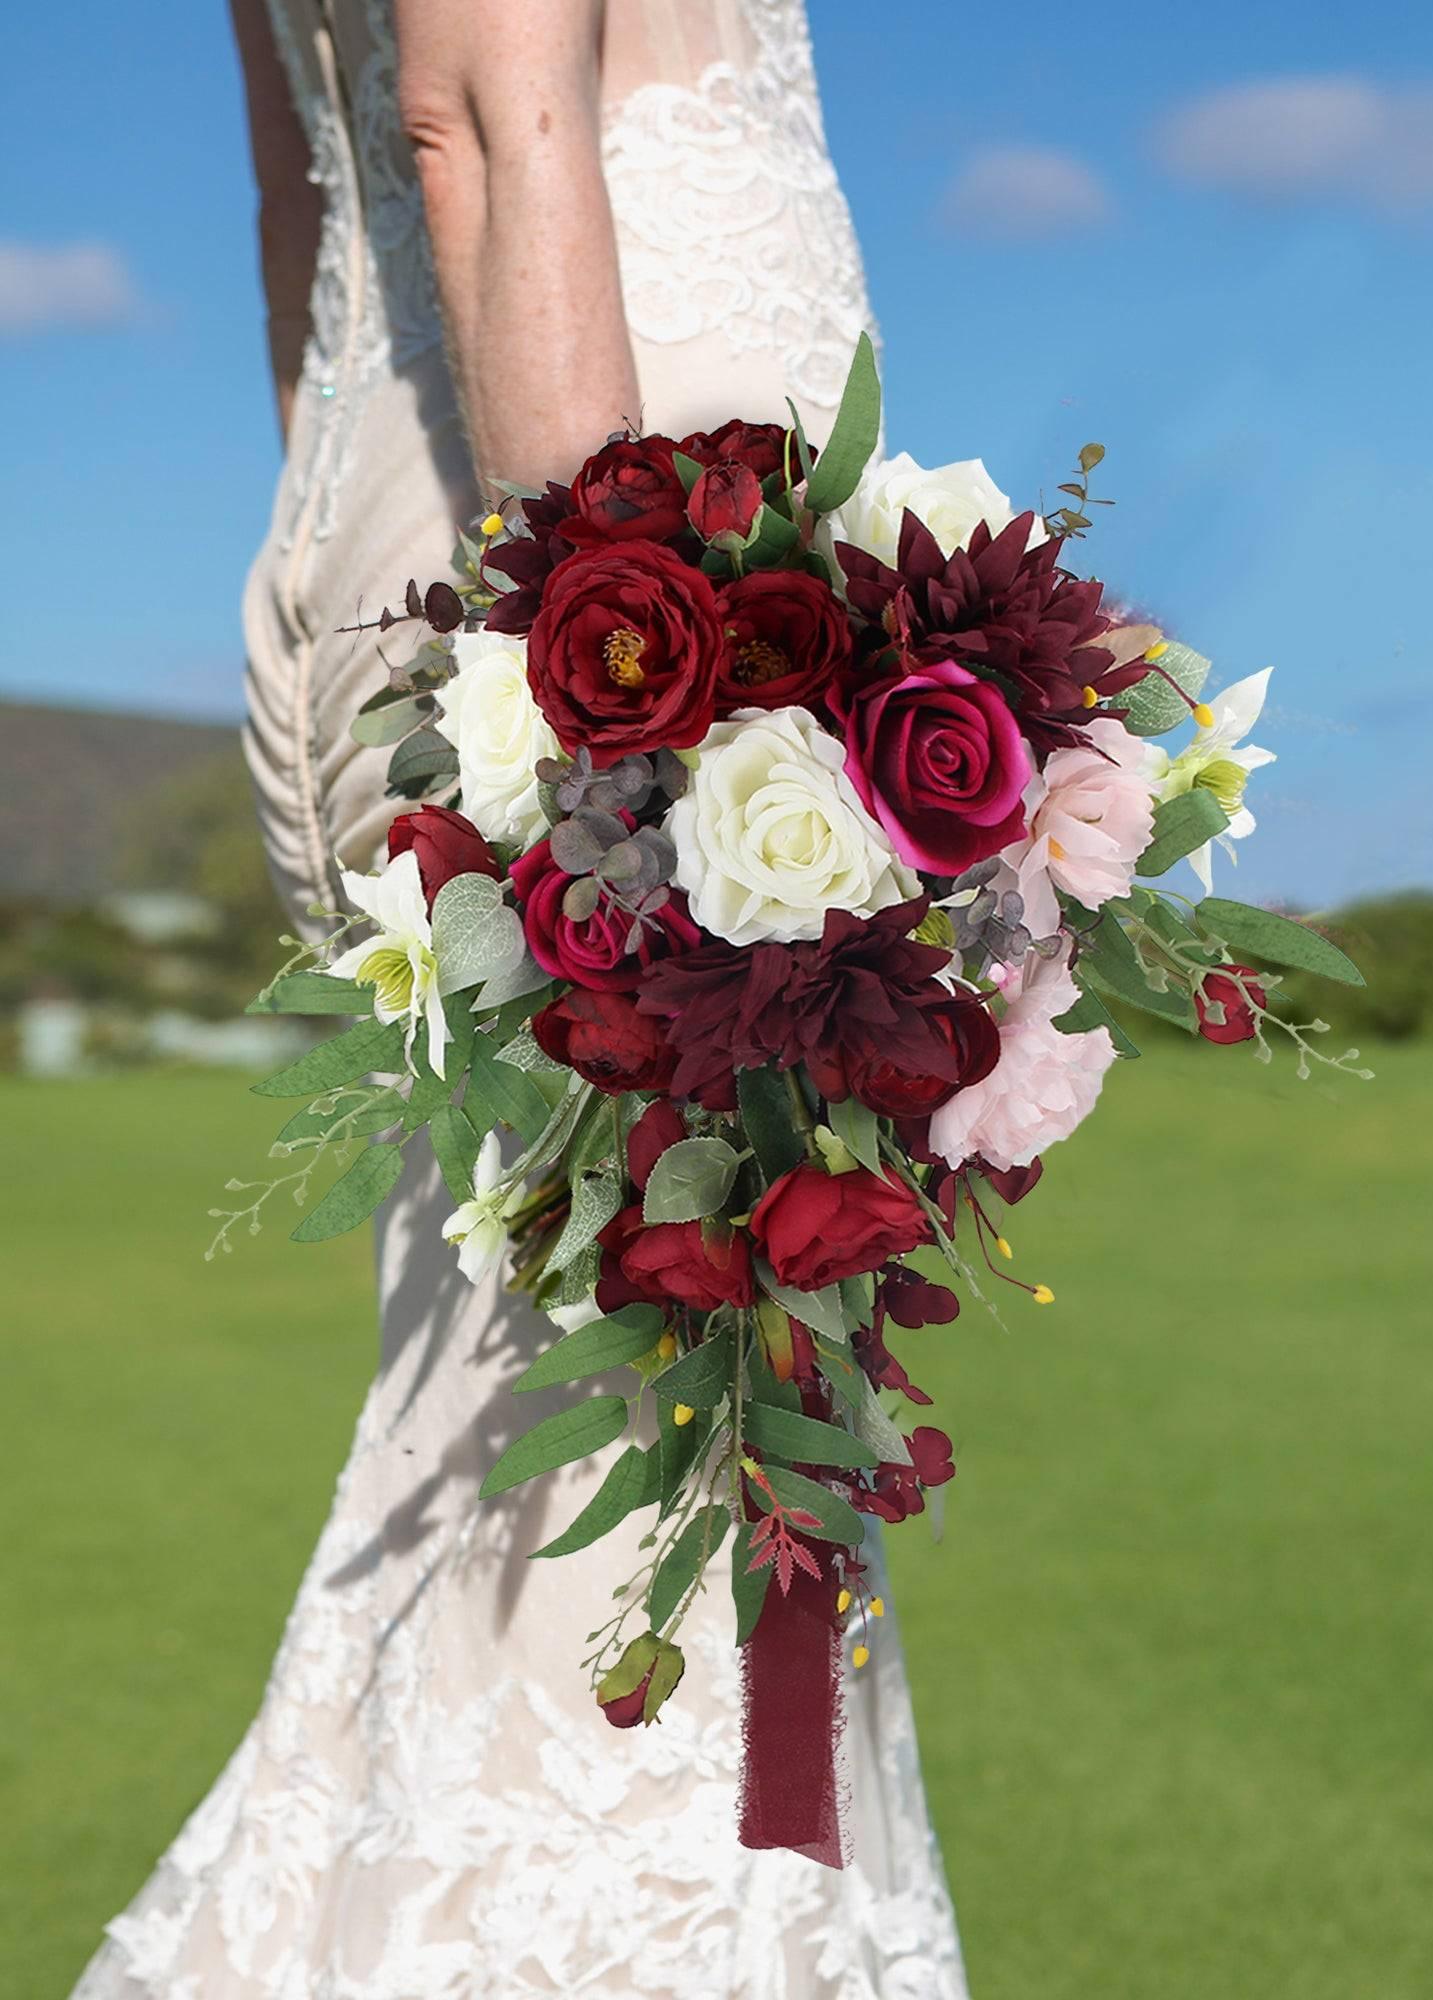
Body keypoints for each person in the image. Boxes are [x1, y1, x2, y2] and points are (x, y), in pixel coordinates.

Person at [71, 4, 969, 1992]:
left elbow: (305, 190)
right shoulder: (624, 654)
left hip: (400, 512)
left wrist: (371, 595)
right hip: (615, 541)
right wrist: (636, 707)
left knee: (586, 1453)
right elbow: (476, 104)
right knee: (661, 1474)